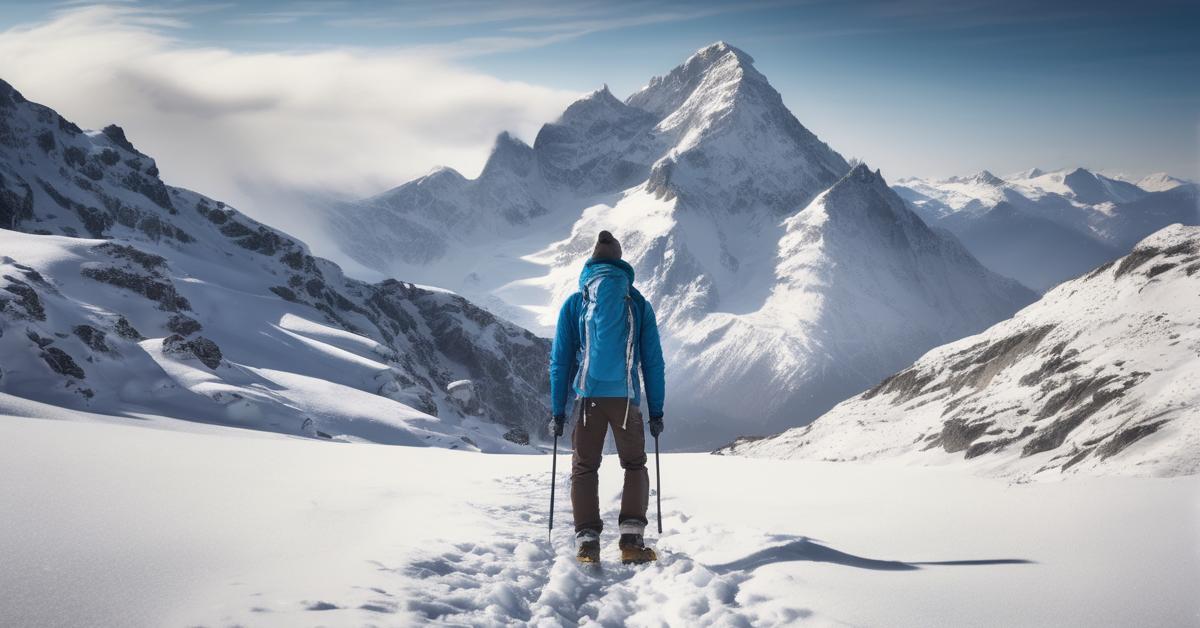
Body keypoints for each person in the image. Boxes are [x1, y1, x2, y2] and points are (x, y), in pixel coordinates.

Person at [549, 230, 665, 565]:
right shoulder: (638, 304)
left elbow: (560, 361)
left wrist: (558, 410)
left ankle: (588, 542)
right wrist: (656, 410)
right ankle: (631, 541)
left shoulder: (576, 303)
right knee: (634, 464)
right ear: (620, 262)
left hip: (589, 399)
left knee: (585, 467)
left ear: (592, 263)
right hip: (625, 399)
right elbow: (653, 362)